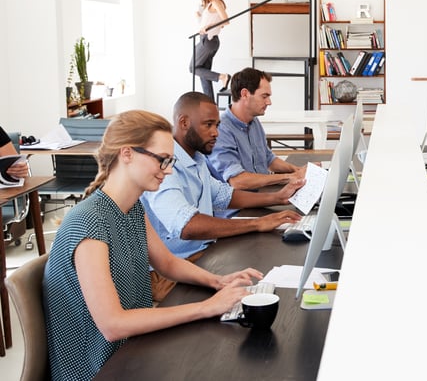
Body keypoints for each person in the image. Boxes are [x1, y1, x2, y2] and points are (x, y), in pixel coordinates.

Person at [43, 110, 261, 380]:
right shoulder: (89, 224)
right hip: (100, 369)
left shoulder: (132, 208)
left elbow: (166, 263)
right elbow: (113, 325)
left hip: (133, 352)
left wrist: (218, 281)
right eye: (162, 160)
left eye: (169, 161)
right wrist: (207, 307)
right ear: (127, 154)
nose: (168, 170)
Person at [141, 92, 305, 301]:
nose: (216, 132)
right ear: (183, 122)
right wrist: (257, 223)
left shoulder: (197, 159)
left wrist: (278, 198)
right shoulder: (166, 166)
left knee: (263, 273)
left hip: (202, 255)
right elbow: (187, 226)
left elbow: (225, 196)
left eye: (217, 125)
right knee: (256, 285)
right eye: (208, 125)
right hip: (169, 272)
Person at [208, 67, 306, 190]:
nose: (269, 102)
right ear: (245, 94)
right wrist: (289, 177)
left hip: (260, 193)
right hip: (241, 205)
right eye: (264, 96)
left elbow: (268, 159)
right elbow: (237, 181)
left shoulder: (254, 122)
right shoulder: (222, 130)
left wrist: (297, 170)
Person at [190, 0, 230, 99]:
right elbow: (206, 25)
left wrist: (210, 26)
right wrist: (199, 17)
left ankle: (222, 77)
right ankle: (210, 104)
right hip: (208, 40)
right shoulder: (210, 4)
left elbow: (226, 21)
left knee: (193, 68)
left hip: (208, 40)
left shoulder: (216, 2)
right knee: (204, 74)